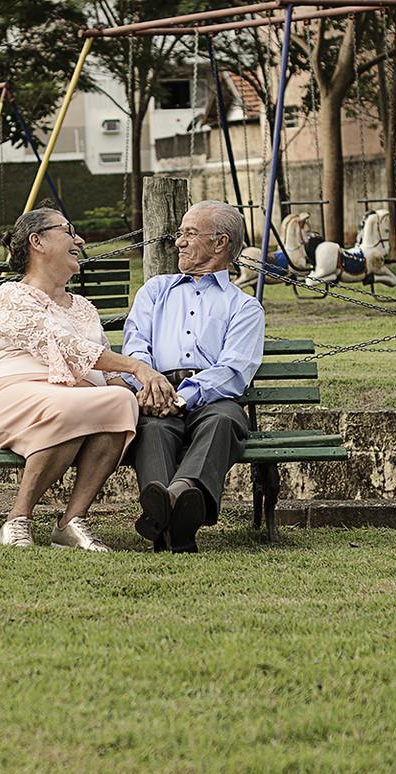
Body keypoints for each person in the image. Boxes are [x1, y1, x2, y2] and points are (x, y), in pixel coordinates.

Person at [0, 208, 174, 551]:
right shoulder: (13, 295)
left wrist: (137, 393)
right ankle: (17, 518)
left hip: (76, 399)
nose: (80, 240)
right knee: (77, 404)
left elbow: (111, 374)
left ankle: (71, 522)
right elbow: (64, 347)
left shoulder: (84, 307)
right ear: (36, 242)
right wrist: (139, 368)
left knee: (120, 402)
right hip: (13, 399)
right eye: (69, 231)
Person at [121, 200, 266, 553]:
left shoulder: (244, 306)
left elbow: (234, 370)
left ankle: (167, 505)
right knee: (151, 428)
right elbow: (135, 347)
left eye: (188, 233)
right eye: (179, 233)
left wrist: (183, 396)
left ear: (220, 243)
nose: (179, 242)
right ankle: (179, 516)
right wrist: (151, 387)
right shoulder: (155, 291)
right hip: (156, 393)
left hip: (213, 399)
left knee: (224, 421)